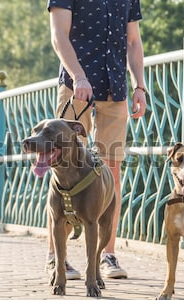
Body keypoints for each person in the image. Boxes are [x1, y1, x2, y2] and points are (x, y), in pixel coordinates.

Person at [46, 0, 147, 280]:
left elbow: (134, 42)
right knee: (65, 173)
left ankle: (107, 254)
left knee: (111, 175)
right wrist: (79, 77)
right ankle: (57, 257)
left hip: (116, 88)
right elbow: (59, 36)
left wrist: (140, 85)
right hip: (77, 87)